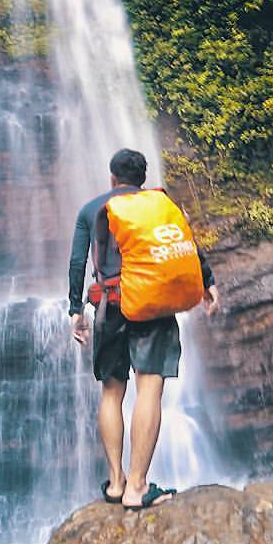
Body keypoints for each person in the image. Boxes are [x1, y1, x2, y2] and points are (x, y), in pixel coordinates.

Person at [68, 148, 219, 510]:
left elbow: (77, 261)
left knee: (112, 393)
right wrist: (208, 283)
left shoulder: (92, 209)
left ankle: (117, 483)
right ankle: (139, 486)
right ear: (142, 179)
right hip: (153, 305)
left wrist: (76, 309)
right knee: (149, 391)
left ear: (112, 178)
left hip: (110, 305)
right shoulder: (160, 205)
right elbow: (182, 244)